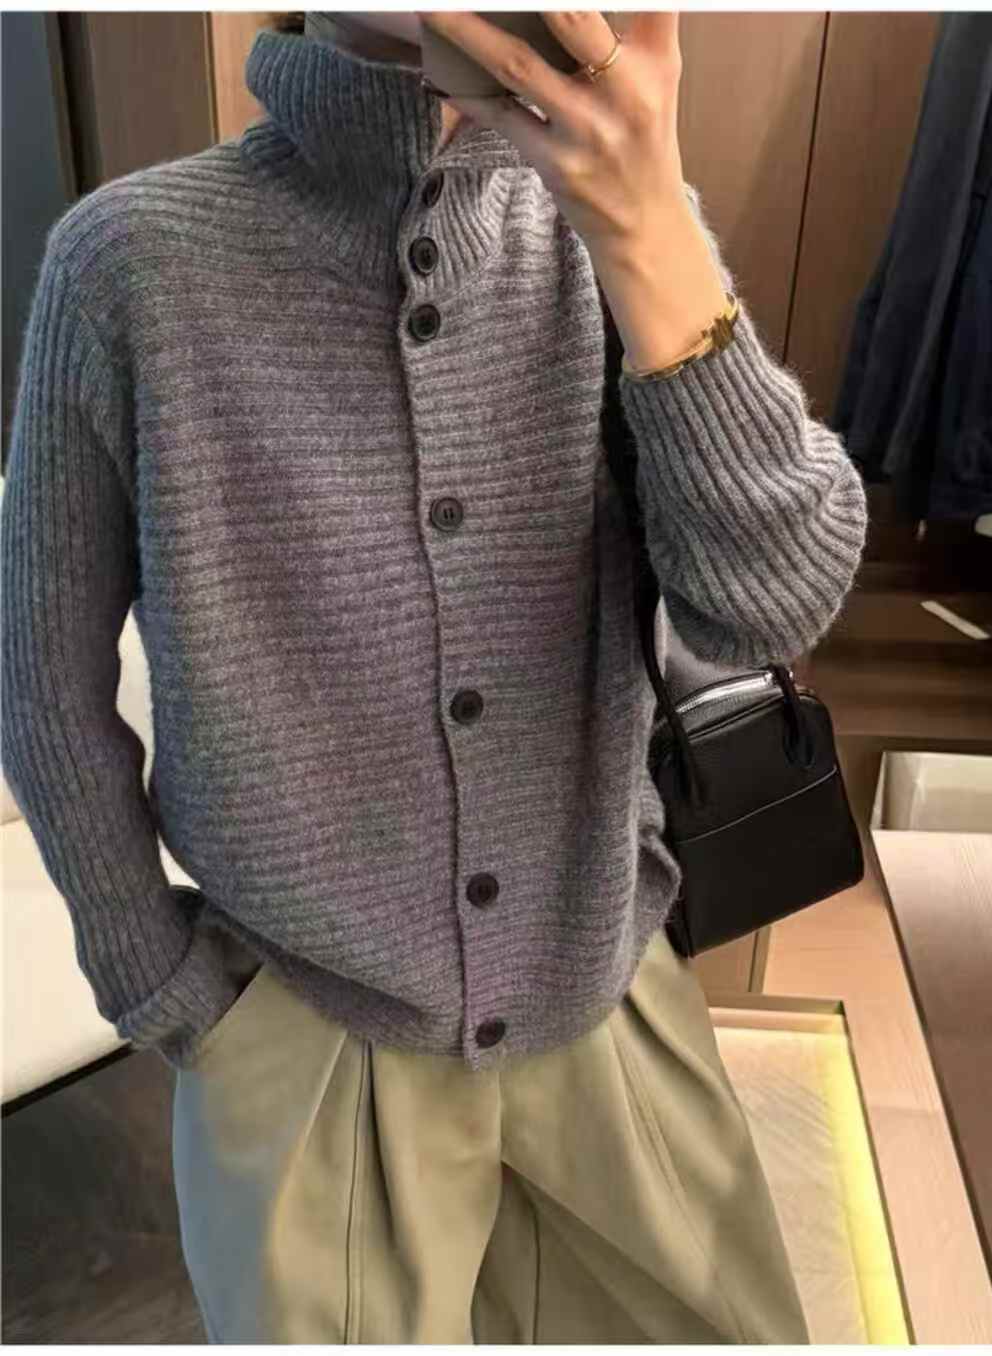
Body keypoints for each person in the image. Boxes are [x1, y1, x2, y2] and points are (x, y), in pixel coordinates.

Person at [1, 8, 868, 1343]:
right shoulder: (130, 262)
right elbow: (41, 681)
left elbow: (773, 600)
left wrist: (649, 223)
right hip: (297, 1031)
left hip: (607, 988)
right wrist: (168, 990)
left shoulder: (622, 235)